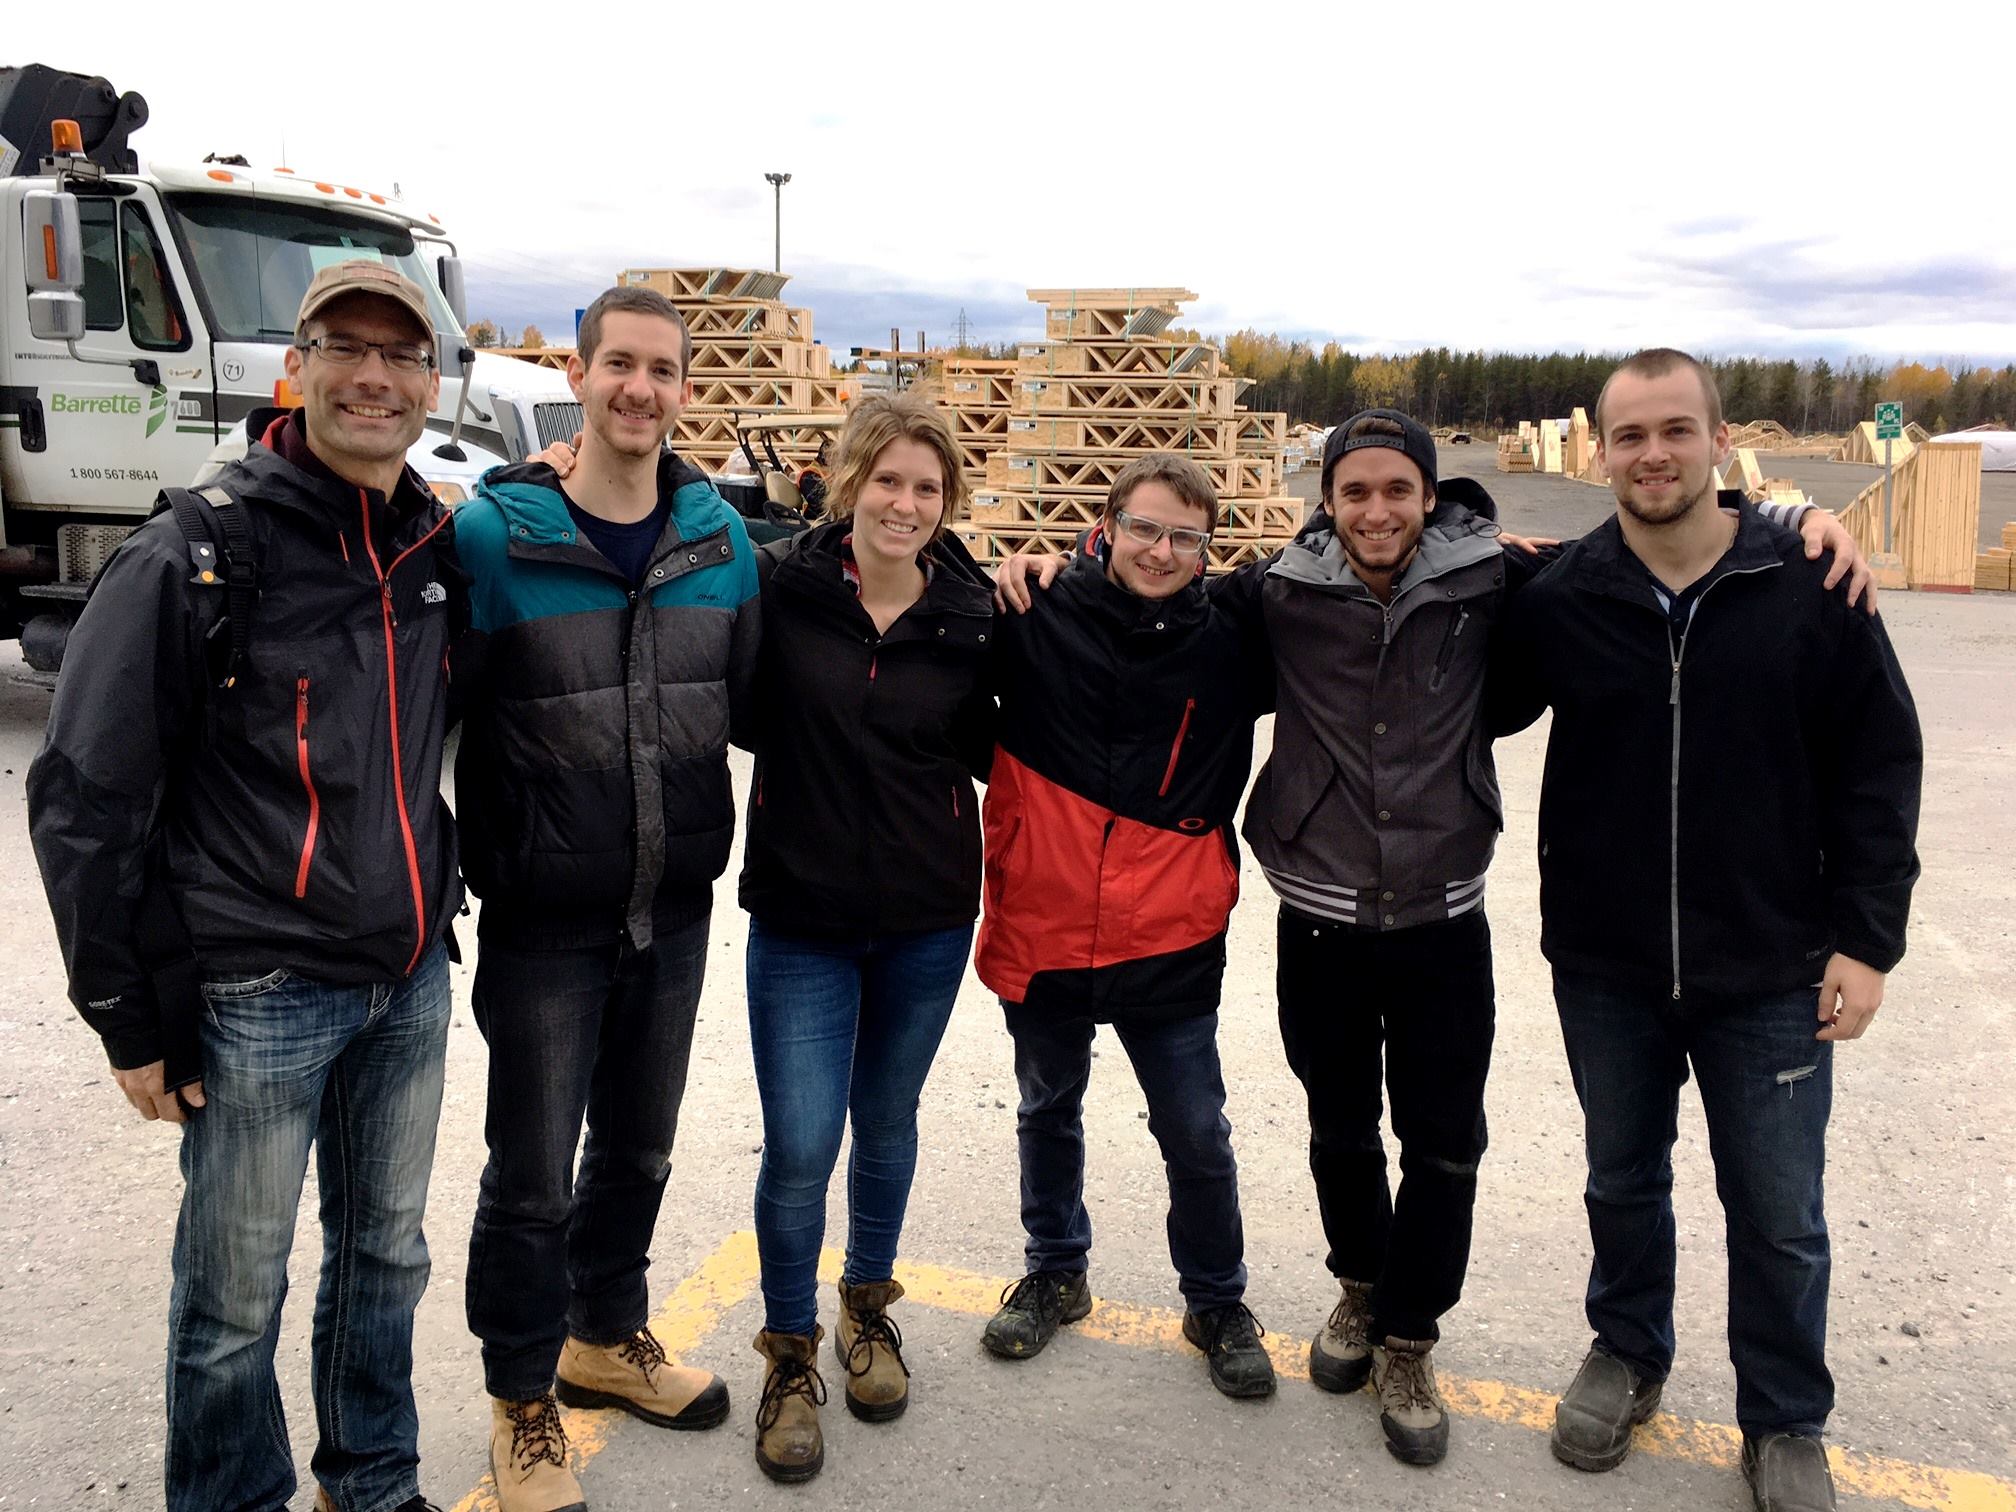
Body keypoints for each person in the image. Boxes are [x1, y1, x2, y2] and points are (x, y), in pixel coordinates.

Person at [996, 408, 1872, 1467]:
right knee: (1338, 1127)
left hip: (1441, 914)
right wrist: (1060, 560)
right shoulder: (1276, 591)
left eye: (1396, 490)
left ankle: (1411, 1338)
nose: (1376, 510)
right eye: (1354, 491)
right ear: (1327, 500)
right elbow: (1153, 574)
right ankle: (1361, 1294)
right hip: (1317, 913)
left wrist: (1787, 510)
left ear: (1428, 494)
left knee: (1445, 1143)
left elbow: (1637, 535)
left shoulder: (1492, 577)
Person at [28, 260, 461, 1512]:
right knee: (233, 1299)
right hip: (261, 993)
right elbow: (85, 795)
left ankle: (372, 1482)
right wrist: (127, 1014)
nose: (374, 374)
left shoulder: (431, 540)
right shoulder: (197, 550)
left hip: (407, 980)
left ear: (432, 382)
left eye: (402, 353)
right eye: (346, 346)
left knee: (386, 1260)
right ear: (298, 367)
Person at [1491, 349, 1921, 1512]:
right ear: (1598, 455)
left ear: (1720, 442)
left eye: (1676, 430)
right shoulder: (1562, 598)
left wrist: (1867, 940)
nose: (1653, 454)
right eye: (1629, 436)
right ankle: (1629, 1352)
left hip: (1772, 965)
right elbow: (1455, 674)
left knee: (1779, 1214)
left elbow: (1881, 765)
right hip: (1607, 962)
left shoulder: (1807, 582)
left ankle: (1783, 1418)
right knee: (1622, 1180)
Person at [453, 284, 758, 1512]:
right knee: (528, 1174)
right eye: (617, 365)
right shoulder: (493, 537)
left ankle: (604, 1334)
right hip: (544, 918)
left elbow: (772, 688)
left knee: (637, 1145)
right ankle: (522, 1397)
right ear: (576, 376)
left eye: (663, 370)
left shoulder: (718, 540)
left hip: (672, 907)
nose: (641, 388)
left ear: (686, 389)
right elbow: (426, 700)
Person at [974, 454, 1277, 1399]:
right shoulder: (1034, 612)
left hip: (1171, 928)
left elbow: (1348, 550)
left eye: (1186, 537)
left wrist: (1473, 521)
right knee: (1045, 1108)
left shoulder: (1236, 633)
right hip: (1049, 918)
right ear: (1104, 526)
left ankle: (1217, 1298)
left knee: (1194, 1129)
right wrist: (1009, 567)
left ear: (1208, 551)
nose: (1162, 550)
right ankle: (1057, 1269)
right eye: (1145, 527)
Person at [736, 390, 997, 1482]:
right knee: (801, 1145)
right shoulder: (781, 587)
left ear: (948, 503)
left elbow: (1002, 749)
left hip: (927, 921)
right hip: (801, 918)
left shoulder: (978, 614)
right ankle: (790, 1353)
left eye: (926, 487)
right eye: (886, 480)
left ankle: (866, 1311)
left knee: (886, 1122)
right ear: (849, 485)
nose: (904, 502)